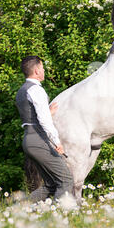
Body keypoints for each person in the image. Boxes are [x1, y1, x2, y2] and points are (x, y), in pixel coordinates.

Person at [15, 55, 73, 202]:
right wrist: (56, 142)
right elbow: (44, 120)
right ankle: (58, 217)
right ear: (36, 71)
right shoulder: (36, 90)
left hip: (29, 139)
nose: (44, 70)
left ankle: (19, 208)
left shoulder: (22, 91)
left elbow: (33, 115)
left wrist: (48, 111)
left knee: (51, 184)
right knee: (65, 179)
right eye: (42, 68)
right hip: (39, 139)